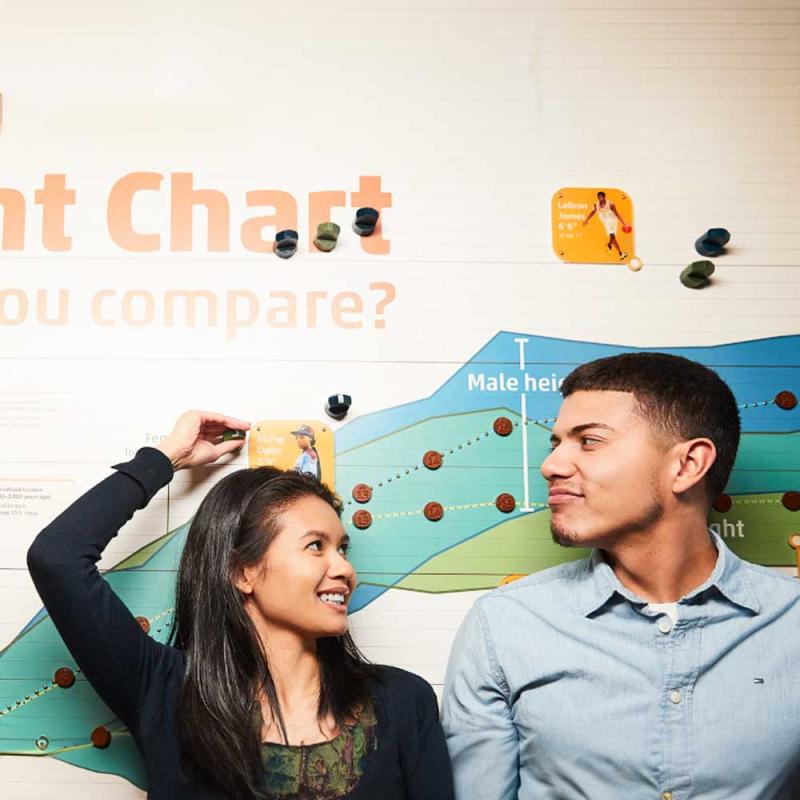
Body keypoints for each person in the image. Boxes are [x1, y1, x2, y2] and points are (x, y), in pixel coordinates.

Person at [27, 410, 453, 800]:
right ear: (242, 572)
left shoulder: (403, 701)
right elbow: (58, 557)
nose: (344, 568)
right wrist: (164, 459)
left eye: (343, 548)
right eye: (315, 546)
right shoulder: (165, 692)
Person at [442, 353, 800, 799]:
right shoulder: (502, 626)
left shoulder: (792, 621)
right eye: (555, 443)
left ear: (688, 465)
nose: (551, 465)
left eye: (588, 441)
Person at [582, 190, 628, 260]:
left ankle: (613, 247)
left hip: (613, 221)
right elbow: (592, 212)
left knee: (613, 237)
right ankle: (620, 253)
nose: (600, 198)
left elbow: (617, 214)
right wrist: (586, 219)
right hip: (606, 222)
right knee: (612, 236)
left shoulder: (611, 204)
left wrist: (624, 223)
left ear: (604, 197)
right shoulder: (596, 204)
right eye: (599, 197)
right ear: (597, 197)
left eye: (601, 197)